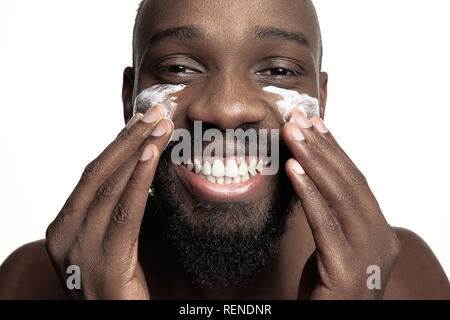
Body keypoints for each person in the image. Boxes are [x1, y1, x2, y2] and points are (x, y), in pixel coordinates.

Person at [1, 0, 449, 300]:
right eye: (178, 68)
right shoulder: (27, 281)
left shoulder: (405, 280)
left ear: (322, 100)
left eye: (278, 69)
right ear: (129, 96)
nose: (229, 108)